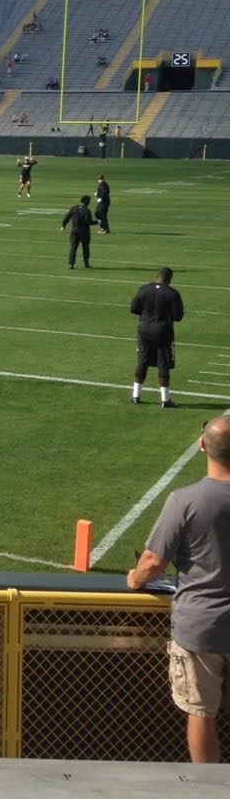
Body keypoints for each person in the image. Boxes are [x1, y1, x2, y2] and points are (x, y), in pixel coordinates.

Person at [127, 414, 230, 762]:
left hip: (201, 627)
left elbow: (154, 562)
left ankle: (207, 792)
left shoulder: (186, 500)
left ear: (202, 446)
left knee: (201, 712)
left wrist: (134, 579)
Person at [131, 266, 184, 407]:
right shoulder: (172, 293)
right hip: (162, 331)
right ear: (170, 278)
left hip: (144, 329)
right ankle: (165, 399)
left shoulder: (143, 288)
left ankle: (136, 395)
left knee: (142, 361)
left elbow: (133, 308)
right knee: (163, 363)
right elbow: (178, 316)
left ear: (157, 276)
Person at [61, 195, 93, 269]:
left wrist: (63, 225)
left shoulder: (74, 208)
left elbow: (67, 217)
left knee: (73, 248)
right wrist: (97, 222)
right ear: (87, 202)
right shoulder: (87, 210)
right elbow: (88, 222)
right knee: (85, 248)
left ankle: (71, 264)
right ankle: (86, 263)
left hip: (74, 231)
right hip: (84, 232)